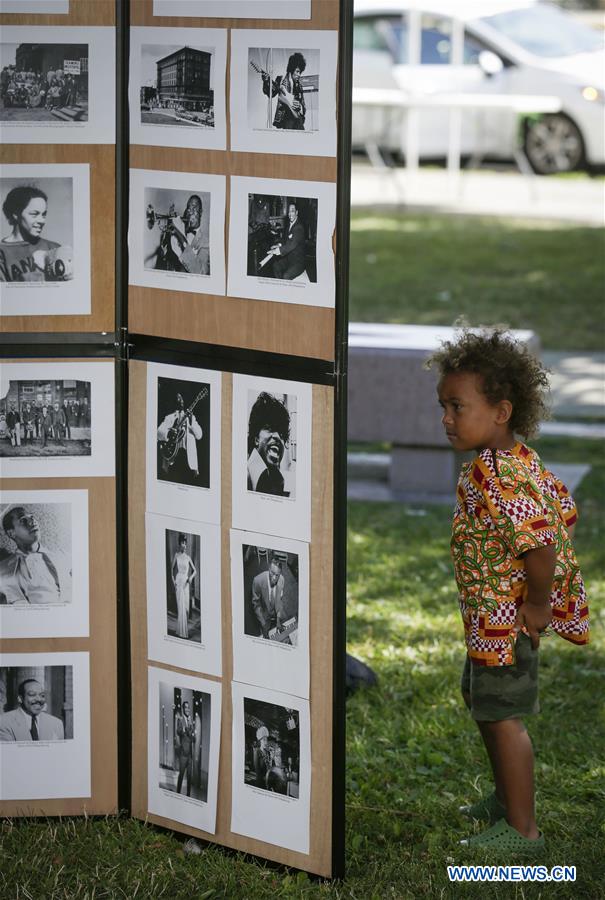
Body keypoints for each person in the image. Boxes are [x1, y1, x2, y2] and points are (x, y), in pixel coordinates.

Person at [427, 326, 590, 854]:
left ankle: (523, 833)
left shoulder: (505, 479)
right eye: (443, 406)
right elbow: (565, 510)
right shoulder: (502, 464)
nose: (446, 418)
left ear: (501, 411)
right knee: (479, 696)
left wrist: (539, 603)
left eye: (457, 406)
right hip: (487, 620)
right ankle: (505, 799)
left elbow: (543, 544)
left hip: (508, 622)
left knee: (502, 716)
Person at [0, 505, 71, 605]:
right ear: (11, 533)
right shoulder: (2, 570)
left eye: (32, 517)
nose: (32, 521)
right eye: (23, 520)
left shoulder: (65, 557)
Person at [0, 186, 60, 283]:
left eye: (43, 214)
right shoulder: (2, 253)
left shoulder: (54, 248)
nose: (42, 220)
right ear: (15, 214)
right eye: (34, 214)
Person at [247, 391, 291, 496]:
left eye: (281, 434)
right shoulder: (241, 476)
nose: (277, 436)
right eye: (270, 428)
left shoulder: (279, 483)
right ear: (256, 438)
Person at [157, 391, 203, 482]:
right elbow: (158, 432)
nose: (180, 399)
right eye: (177, 397)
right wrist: (168, 433)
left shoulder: (191, 418)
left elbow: (199, 435)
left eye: (181, 397)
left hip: (188, 460)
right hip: (173, 459)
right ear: (174, 401)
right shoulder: (169, 417)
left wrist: (191, 423)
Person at [0, 678, 64, 741]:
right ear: (20, 699)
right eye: (32, 694)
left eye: (42, 695)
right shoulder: (4, 722)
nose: (39, 699)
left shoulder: (57, 723)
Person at [261, 51, 306, 130]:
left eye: (300, 72)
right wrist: (266, 81)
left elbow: (303, 105)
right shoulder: (281, 79)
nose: (299, 75)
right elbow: (270, 93)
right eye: (297, 71)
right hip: (285, 120)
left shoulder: (299, 86)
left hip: (298, 120)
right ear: (291, 70)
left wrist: (300, 107)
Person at [265, 201, 306, 281]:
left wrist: (277, 250)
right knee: (276, 266)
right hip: (289, 258)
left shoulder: (299, 228)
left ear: (296, 212)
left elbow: (291, 244)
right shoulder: (289, 225)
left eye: (292, 211)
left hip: (298, 262)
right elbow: (285, 240)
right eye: (289, 211)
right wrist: (279, 245)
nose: (290, 214)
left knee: (286, 276)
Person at [251, 557, 286, 638]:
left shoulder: (282, 579)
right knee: (265, 633)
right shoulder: (257, 581)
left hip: (275, 612)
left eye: (277, 575)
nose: (274, 578)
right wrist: (263, 623)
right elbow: (256, 604)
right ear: (269, 569)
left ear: (280, 574)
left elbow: (280, 600)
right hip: (264, 615)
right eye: (272, 573)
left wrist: (278, 619)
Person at [171, 534, 197, 640]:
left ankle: (183, 631)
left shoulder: (188, 558)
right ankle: (181, 632)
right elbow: (171, 570)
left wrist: (190, 578)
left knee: (186, 608)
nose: (184, 545)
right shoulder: (176, 556)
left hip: (186, 583)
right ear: (179, 543)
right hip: (178, 582)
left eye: (186, 543)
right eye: (183, 543)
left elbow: (195, 571)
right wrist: (173, 582)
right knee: (180, 608)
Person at [175, 701, 196, 796]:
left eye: (188, 707)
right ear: (183, 709)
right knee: (181, 776)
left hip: (190, 756)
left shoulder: (191, 722)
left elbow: (194, 738)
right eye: (186, 707)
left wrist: (192, 731)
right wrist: (185, 729)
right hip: (183, 754)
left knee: (189, 777)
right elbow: (178, 731)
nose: (187, 709)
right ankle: (178, 794)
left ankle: (188, 795)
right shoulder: (181, 720)